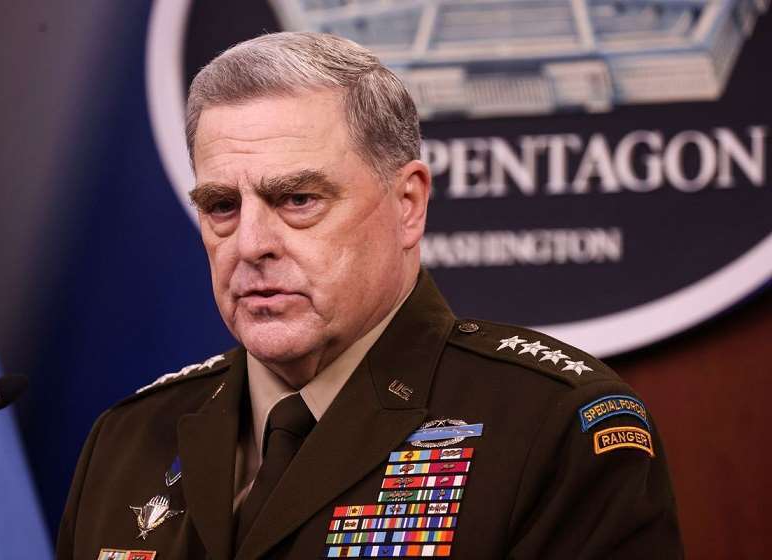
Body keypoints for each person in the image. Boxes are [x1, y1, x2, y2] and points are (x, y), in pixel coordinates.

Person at [57, 32, 682, 560]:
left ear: (407, 205)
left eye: (297, 199)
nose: (250, 244)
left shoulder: (553, 428)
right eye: (222, 206)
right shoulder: (128, 441)